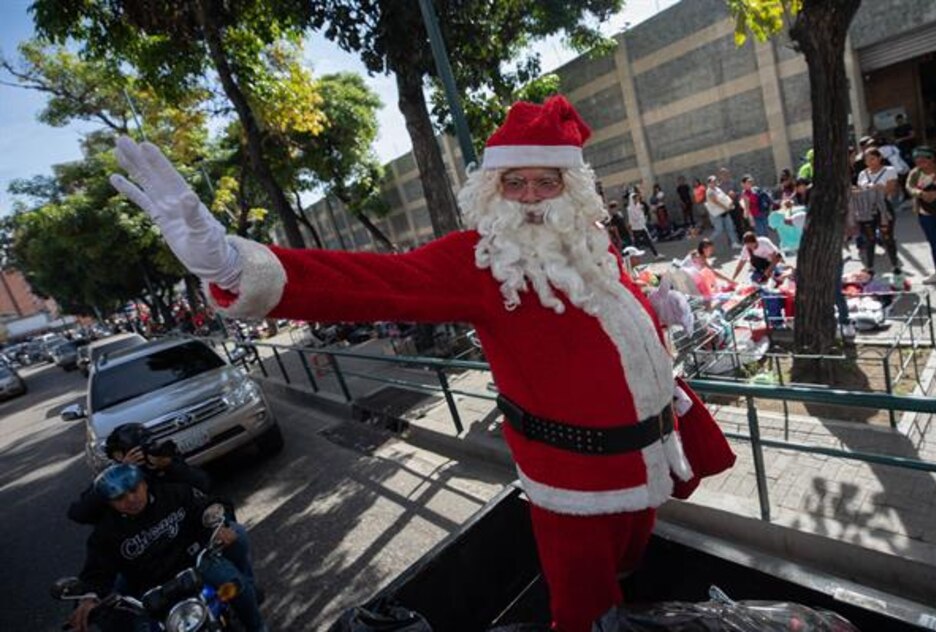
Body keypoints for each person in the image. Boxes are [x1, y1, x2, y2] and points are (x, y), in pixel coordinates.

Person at [110, 95, 735, 632]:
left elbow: (609, 331)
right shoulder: (480, 262)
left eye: (546, 182)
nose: (530, 198)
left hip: (648, 466)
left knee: (636, 578)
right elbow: (382, 281)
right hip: (572, 488)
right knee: (583, 614)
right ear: (492, 191)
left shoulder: (594, 245)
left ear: (570, 189)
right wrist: (227, 262)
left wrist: (653, 310)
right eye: (514, 184)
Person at [66, 464, 265, 632]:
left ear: (144, 483)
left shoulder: (174, 494)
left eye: (134, 490)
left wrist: (217, 524)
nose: (131, 499)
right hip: (150, 589)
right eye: (120, 498)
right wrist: (88, 598)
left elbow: (206, 505)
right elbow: (96, 570)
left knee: (237, 587)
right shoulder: (105, 533)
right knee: (140, 628)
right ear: (109, 503)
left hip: (198, 565)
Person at [68, 423, 212, 525]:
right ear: (118, 456)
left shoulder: (161, 464)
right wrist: (122, 472)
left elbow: (203, 484)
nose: (144, 453)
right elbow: (79, 513)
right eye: (137, 450)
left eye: (148, 446)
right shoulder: (111, 479)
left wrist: (170, 466)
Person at [906, 146, 936, 284]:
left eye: (924, 157)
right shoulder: (915, 173)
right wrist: (920, 194)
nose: (920, 161)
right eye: (917, 158)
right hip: (925, 213)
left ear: (932, 158)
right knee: (934, 243)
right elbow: (909, 187)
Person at [855, 148, 901, 275]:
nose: (869, 162)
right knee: (869, 239)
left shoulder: (889, 170)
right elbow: (860, 191)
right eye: (866, 159)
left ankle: (895, 265)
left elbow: (891, 190)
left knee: (887, 237)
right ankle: (870, 268)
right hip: (866, 209)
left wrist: (879, 189)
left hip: (883, 207)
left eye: (872, 158)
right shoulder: (862, 174)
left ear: (879, 157)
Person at [704, 175, 740, 249]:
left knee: (730, 227)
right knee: (719, 230)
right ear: (709, 183)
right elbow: (716, 201)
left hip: (724, 212)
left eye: (715, 181)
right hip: (717, 214)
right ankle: (706, 243)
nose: (714, 183)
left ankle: (734, 243)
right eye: (712, 182)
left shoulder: (717, 189)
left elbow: (724, 197)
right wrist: (726, 207)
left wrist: (730, 202)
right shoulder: (709, 191)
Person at [627, 186, 660, 257]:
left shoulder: (639, 206)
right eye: (635, 199)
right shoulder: (630, 209)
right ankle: (634, 258)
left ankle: (656, 255)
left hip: (642, 226)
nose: (636, 200)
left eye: (636, 198)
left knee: (649, 241)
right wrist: (640, 214)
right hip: (635, 228)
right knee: (637, 245)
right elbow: (634, 218)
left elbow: (642, 215)